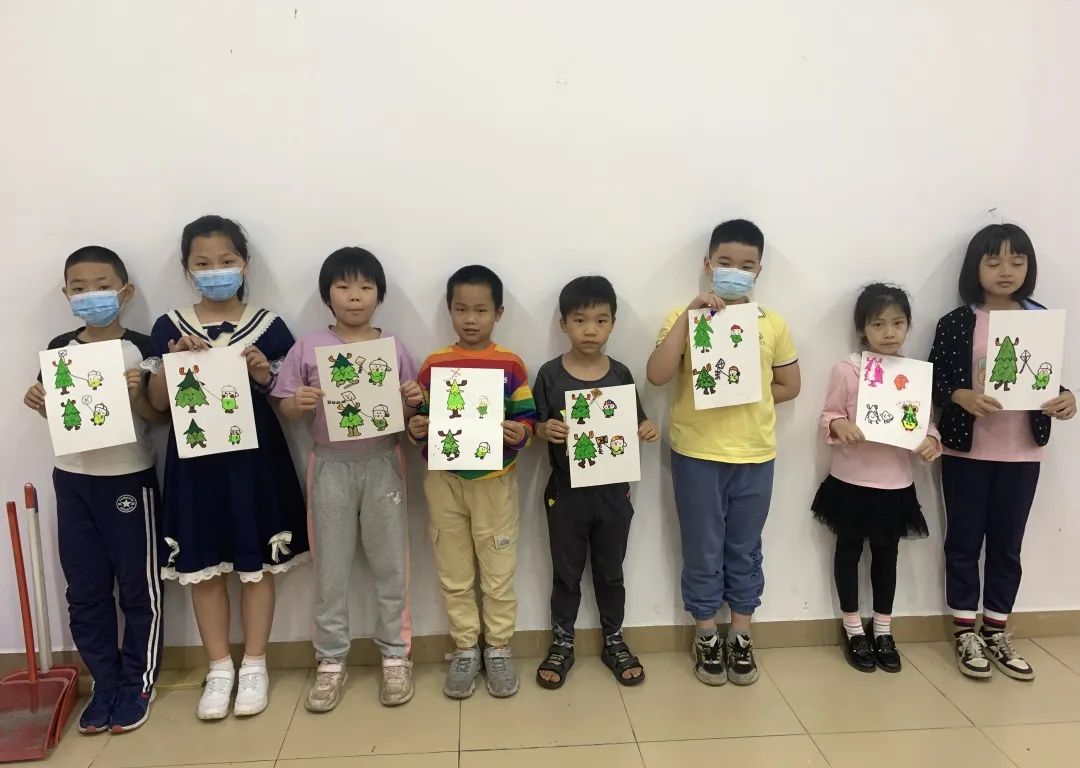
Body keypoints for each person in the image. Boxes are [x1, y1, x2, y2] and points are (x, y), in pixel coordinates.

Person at [145, 215, 309, 719]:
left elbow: (287, 399)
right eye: (203, 263)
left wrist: (262, 373)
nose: (215, 270)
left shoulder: (270, 325)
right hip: (196, 465)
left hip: (254, 461)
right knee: (203, 567)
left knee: (256, 567)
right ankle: (218, 668)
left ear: (244, 265)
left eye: (226, 261)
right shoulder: (170, 327)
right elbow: (157, 405)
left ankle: (255, 664)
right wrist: (173, 363)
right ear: (187, 269)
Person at [646, 219, 800, 686]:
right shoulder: (684, 316)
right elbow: (657, 374)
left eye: (747, 265)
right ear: (708, 264)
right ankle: (706, 634)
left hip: (755, 454)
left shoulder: (771, 323)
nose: (736, 271)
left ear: (759, 271)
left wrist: (746, 391)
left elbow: (790, 384)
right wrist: (690, 316)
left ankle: (741, 633)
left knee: (745, 548)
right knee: (702, 547)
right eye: (726, 262)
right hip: (696, 453)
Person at [273, 247, 423, 712]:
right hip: (330, 466)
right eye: (343, 287)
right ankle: (331, 660)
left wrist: (412, 399)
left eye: (365, 287)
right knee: (330, 569)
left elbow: (411, 412)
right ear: (327, 295)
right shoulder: (308, 346)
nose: (354, 296)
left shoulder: (392, 346)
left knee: (392, 565)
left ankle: (395, 655)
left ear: (379, 294)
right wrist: (296, 403)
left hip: (383, 464)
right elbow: (285, 406)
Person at [23, 246, 167, 734]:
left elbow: (159, 419)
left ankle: (137, 683)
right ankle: (104, 682)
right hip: (72, 479)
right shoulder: (59, 348)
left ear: (125, 292)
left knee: (139, 588)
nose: (91, 296)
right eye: (79, 288)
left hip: (129, 478)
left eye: (102, 286)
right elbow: (60, 413)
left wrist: (138, 394)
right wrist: (39, 400)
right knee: (84, 589)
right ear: (66, 295)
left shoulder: (143, 347)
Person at [928, 224, 1075, 680]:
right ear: (975, 268)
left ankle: (996, 629)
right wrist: (960, 396)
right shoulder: (957, 321)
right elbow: (933, 381)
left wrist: (1066, 397)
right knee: (963, 542)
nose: (1006, 270)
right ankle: (964, 632)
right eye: (993, 262)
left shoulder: (1039, 318)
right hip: (966, 453)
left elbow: (1043, 378)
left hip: (1023, 453)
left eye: (1017, 261)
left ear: (1029, 266)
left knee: (1008, 545)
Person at [407, 265, 537, 699]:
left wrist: (521, 432)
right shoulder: (435, 364)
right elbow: (419, 419)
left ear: (498, 313)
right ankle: (465, 647)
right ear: (449, 311)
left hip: (494, 482)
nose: (470, 319)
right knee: (454, 569)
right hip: (443, 481)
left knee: (499, 571)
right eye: (461, 309)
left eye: (481, 310)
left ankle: (498, 647)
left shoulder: (510, 364)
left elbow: (527, 418)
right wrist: (416, 428)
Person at [532, 276, 659, 689]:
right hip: (566, 491)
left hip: (613, 493)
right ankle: (563, 642)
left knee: (610, 571)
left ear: (612, 325)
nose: (590, 330)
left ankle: (614, 639)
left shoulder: (620, 374)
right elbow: (532, 425)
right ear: (563, 324)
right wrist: (544, 430)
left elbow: (636, 421)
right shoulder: (550, 375)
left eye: (601, 321)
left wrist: (646, 428)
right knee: (566, 572)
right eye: (580, 320)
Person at [813, 284, 941, 673]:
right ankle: (853, 628)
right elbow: (829, 414)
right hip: (851, 482)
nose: (889, 332)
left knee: (887, 557)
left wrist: (931, 441)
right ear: (862, 328)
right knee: (848, 551)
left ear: (908, 326)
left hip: (895, 484)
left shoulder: (914, 374)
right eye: (878, 324)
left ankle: (883, 628)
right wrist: (839, 424)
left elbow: (925, 423)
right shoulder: (848, 369)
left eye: (898, 323)